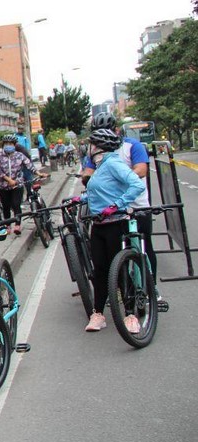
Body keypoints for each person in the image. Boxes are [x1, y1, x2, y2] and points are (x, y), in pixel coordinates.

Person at [70, 129, 145, 332]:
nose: (88, 148)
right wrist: (81, 199)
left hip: (116, 224)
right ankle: (98, 314)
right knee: (100, 271)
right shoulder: (100, 167)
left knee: (119, 269)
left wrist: (117, 205)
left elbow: (136, 185)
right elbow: (101, 191)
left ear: (98, 147)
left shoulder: (113, 163)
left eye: (91, 144)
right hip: (99, 225)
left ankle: (130, 315)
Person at [81, 112, 159, 301]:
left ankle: (151, 287)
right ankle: (121, 290)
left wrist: (115, 181)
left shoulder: (133, 146)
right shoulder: (96, 153)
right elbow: (88, 174)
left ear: (116, 130)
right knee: (111, 255)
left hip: (136, 205)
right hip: (110, 212)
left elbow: (141, 170)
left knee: (144, 247)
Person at [0, 134, 44, 234]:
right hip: (3, 186)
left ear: (15, 145)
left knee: (16, 204)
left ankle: (17, 225)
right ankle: (7, 226)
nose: (8, 145)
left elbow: (29, 165)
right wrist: (8, 180)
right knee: (6, 206)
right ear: (3, 145)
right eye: (6, 143)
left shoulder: (19, 156)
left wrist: (38, 173)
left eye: (10, 143)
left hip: (17, 185)